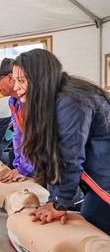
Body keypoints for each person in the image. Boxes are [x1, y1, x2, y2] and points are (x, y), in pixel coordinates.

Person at [12, 49, 110, 235]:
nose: (16, 87)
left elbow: (68, 155)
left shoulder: (71, 100)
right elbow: (52, 156)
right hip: (96, 177)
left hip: (105, 179)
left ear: (39, 79)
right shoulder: (52, 99)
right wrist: (54, 201)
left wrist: (60, 203)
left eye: (21, 81)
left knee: (92, 231)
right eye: (15, 80)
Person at [0, 58, 34, 183]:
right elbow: (18, 135)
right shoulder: (12, 101)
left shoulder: (31, 101)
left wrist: (24, 169)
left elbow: (34, 138)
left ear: (11, 78)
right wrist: (18, 166)